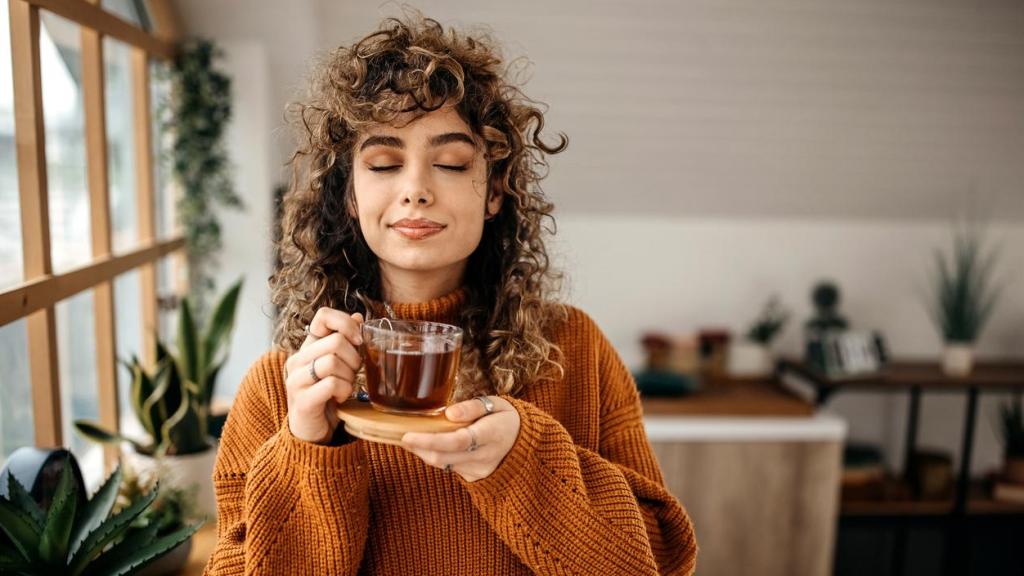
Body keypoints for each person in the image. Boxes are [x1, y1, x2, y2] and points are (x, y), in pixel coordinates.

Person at [204, 14, 697, 576]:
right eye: (385, 163)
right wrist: (307, 449)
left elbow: (659, 562)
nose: (416, 189)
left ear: (493, 191)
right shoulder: (282, 389)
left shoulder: (574, 351)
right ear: (348, 196)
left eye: (451, 163)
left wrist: (525, 463)